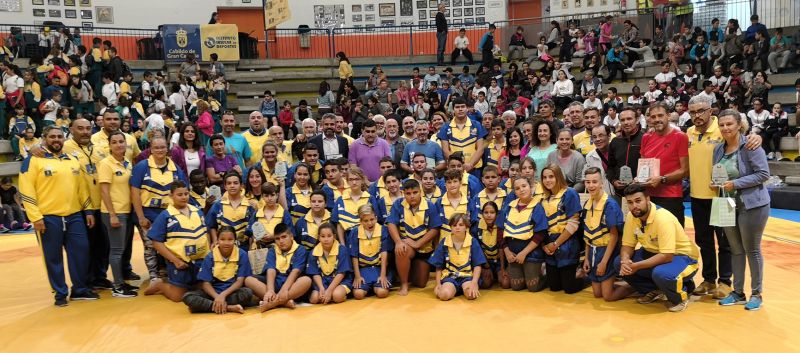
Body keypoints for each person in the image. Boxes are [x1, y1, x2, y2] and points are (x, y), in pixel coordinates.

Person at [20, 126, 97, 306]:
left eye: (59, 137)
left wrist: (88, 210)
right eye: (52, 137)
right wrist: (35, 217)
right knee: (53, 257)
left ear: (64, 139)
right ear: (44, 139)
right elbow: (26, 189)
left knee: (81, 252)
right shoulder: (33, 160)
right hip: (48, 217)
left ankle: (79, 290)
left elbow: (82, 188)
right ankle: (60, 293)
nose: (56, 140)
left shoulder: (72, 159)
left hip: (75, 215)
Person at [713, 110, 771, 311]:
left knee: (752, 250)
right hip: (726, 204)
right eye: (722, 125)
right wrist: (717, 184)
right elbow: (720, 174)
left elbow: (763, 174)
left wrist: (735, 184)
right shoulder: (719, 149)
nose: (725, 128)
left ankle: (756, 293)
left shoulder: (752, 145)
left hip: (752, 205)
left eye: (729, 124)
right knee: (735, 250)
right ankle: (738, 292)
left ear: (739, 125)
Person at [617, 184, 700, 312]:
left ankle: (680, 297)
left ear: (648, 199)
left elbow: (667, 256)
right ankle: (654, 290)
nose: (634, 206)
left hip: (683, 257)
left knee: (662, 274)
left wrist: (636, 266)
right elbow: (627, 245)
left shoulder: (663, 218)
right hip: (653, 252)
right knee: (618, 263)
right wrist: (625, 261)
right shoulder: (631, 216)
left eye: (638, 201)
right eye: (630, 202)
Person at [130, 136, 188, 284]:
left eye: (163, 147)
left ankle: (166, 272)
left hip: (169, 214)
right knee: (150, 246)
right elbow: (135, 193)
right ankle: (153, 275)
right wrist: (141, 216)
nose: (160, 150)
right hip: (148, 213)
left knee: (168, 244)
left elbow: (182, 191)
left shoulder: (176, 168)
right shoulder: (142, 167)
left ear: (167, 148)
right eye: (156, 147)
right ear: (151, 149)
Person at [141, 180, 209, 301]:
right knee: (178, 297)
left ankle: (189, 283)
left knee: (204, 290)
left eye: (186, 194)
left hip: (200, 261)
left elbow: (205, 232)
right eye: (179, 195)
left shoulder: (197, 211)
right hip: (179, 262)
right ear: (171, 196)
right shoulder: (166, 215)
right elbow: (156, 242)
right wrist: (175, 260)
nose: (183, 197)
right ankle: (160, 285)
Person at [97, 131, 138, 298]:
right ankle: (118, 286)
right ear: (109, 145)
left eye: (122, 141)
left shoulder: (127, 162)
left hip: (126, 211)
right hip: (114, 212)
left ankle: (122, 282)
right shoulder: (106, 164)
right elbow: (104, 191)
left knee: (122, 249)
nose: (119, 145)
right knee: (116, 250)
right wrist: (112, 214)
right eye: (115, 142)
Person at [580, 167, 629, 301]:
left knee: (607, 296)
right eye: (588, 182)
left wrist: (604, 262)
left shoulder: (610, 205)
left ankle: (633, 287)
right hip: (593, 251)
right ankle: (611, 283)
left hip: (606, 251)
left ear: (602, 183)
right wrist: (586, 258)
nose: (591, 185)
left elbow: (614, 236)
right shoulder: (587, 203)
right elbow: (588, 234)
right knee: (597, 294)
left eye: (595, 182)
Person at [387, 179, 441, 296]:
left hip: (424, 249)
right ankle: (404, 283)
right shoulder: (398, 204)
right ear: (403, 193)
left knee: (421, 283)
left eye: (415, 192)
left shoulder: (430, 206)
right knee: (402, 250)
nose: (412, 196)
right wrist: (398, 242)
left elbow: (435, 229)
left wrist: (418, 244)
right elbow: (391, 223)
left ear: (420, 191)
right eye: (408, 193)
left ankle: (403, 269)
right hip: (407, 245)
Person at [181, 226, 253, 314]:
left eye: (230, 239)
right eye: (222, 239)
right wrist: (217, 297)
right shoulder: (210, 256)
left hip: (231, 293)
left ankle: (209, 306)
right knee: (188, 297)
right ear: (217, 240)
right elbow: (206, 283)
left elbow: (239, 281)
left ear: (235, 240)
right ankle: (229, 307)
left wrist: (223, 295)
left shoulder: (242, 254)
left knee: (247, 293)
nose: (226, 243)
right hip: (212, 294)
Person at [639, 102, 688, 225]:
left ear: (668, 116)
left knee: (673, 239)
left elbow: (685, 170)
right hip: (649, 196)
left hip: (671, 196)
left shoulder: (680, 137)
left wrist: (662, 179)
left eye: (660, 115)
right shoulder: (646, 137)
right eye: (653, 117)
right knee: (651, 238)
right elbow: (643, 165)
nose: (657, 119)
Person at [539, 164, 584, 294]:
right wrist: (544, 245)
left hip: (566, 243)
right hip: (549, 244)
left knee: (569, 288)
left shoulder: (569, 193)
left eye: (551, 176)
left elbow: (573, 224)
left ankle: (584, 276)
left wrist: (556, 244)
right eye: (545, 177)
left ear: (558, 176)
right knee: (554, 287)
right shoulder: (543, 198)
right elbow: (540, 225)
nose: (548, 180)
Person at [247, 223, 312, 312]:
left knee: (306, 280)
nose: (281, 241)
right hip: (275, 283)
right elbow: (270, 270)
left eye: (284, 237)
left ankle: (273, 303)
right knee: (248, 280)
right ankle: (284, 301)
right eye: (277, 239)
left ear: (291, 236)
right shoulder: (272, 250)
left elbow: (295, 272)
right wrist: (270, 290)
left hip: (291, 286)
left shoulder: (300, 249)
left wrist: (284, 289)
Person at [500, 176, 548, 292]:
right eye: (517, 188)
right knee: (516, 286)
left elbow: (540, 234)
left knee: (533, 286)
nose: (521, 190)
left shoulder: (537, 207)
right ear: (514, 191)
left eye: (524, 186)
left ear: (531, 187)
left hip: (531, 253)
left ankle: (547, 275)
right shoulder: (509, 207)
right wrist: (506, 251)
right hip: (513, 254)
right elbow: (500, 231)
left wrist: (524, 253)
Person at [429, 213, 486, 301]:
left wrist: (474, 282)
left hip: (467, 276)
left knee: (471, 295)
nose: (457, 227)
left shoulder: (472, 241)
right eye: (454, 225)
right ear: (450, 227)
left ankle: (462, 289)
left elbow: (477, 265)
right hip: (450, 277)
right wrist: (438, 284)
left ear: (466, 226)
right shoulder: (445, 242)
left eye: (461, 225)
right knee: (444, 296)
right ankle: (452, 289)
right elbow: (438, 266)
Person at [348, 204, 392, 299]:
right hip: (363, 269)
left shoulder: (383, 230)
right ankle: (368, 287)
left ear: (376, 217)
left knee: (382, 293)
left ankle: (375, 287)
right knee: (358, 294)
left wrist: (383, 275)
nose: (369, 223)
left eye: (372, 219)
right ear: (360, 221)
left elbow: (384, 253)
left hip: (379, 268)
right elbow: (354, 255)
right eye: (366, 221)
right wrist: (357, 276)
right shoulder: (355, 232)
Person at [438, 97, 487, 178]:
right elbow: (445, 150)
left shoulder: (477, 125)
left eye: (463, 106)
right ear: (453, 109)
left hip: (474, 169)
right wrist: (458, 165)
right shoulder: (445, 127)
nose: (460, 109)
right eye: (457, 107)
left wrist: (470, 164)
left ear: (467, 108)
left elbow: (480, 149)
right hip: (454, 171)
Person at [307, 222, 352, 304]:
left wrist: (329, 290)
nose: (326, 239)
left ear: (334, 237)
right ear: (319, 237)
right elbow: (315, 273)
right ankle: (327, 295)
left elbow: (341, 273)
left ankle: (339, 295)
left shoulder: (342, 250)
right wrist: (321, 288)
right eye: (323, 236)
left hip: (340, 281)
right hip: (323, 281)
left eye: (329, 236)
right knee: (314, 299)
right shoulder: (313, 252)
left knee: (337, 296)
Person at [205, 171, 250, 249]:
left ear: (241, 186)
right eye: (229, 183)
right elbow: (211, 225)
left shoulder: (250, 205)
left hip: (243, 248)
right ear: (225, 186)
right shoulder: (218, 205)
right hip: (222, 247)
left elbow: (252, 230)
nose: (232, 186)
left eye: (235, 183)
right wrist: (215, 240)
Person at [331, 166, 376, 244]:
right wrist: (342, 244)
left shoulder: (370, 198)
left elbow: (375, 221)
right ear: (347, 181)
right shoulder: (340, 200)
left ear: (362, 180)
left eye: (357, 179)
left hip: (366, 238)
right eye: (351, 180)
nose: (354, 182)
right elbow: (339, 224)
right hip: (347, 238)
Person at [470, 201, 508, 289]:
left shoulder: (501, 227)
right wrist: (486, 267)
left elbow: (501, 247)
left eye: (492, 212)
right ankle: (488, 275)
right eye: (486, 212)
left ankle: (497, 274)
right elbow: (478, 249)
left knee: (505, 283)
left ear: (497, 214)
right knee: (486, 284)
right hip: (485, 262)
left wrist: (502, 268)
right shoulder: (476, 228)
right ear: (482, 214)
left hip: (499, 261)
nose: (489, 215)